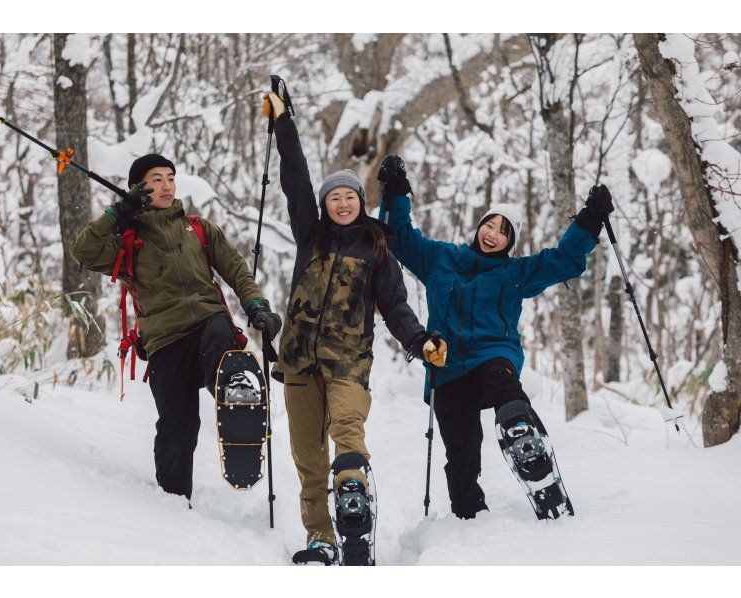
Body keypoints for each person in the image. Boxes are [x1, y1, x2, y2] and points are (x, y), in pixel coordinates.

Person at [261, 92, 447, 564]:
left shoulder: (377, 247)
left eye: (349, 197)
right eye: (334, 198)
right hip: (299, 360)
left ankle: (354, 508)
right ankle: (321, 537)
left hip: (348, 363)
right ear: (325, 206)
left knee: (347, 431)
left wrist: (420, 339)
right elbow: (295, 179)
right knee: (307, 455)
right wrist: (285, 122)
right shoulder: (311, 235)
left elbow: (396, 305)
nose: (342, 203)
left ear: (360, 203)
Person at [376, 154, 613, 520]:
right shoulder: (440, 258)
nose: (494, 234)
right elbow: (400, 238)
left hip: (493, 356)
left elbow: (563, 259)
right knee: (462, 453)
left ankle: (525, 439)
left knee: (504, 386)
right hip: (447, 365)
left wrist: (590, 219)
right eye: (490, 225)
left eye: (504, 231)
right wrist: (394, 192)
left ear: (509, 242)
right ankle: (469, 515)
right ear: (479, 226)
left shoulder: (515, 272)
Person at [70, 153, 282, 506]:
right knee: (177, 430)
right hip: (166, 342)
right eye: (156, 179)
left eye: (170, 177)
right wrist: (115, 215)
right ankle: (172, 505)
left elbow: (236, 269)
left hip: (208, 325)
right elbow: (82, 251)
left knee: (219, 337)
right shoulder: (126, 240)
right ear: (138, 187)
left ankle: (235, 393)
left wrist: (256, 305)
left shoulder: (198, 228)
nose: (167, 185)